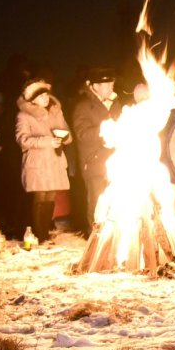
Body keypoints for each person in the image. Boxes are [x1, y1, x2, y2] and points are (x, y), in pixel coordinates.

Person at [15, 79, 72, 243]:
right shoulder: (24, 115)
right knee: (40, 197)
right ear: (32, 99)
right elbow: (22, 139)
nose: (46, 98)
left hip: (54, 160)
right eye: (41, 96)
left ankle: (45, 232)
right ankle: (38, 235)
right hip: (38, 163)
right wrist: (47, 141)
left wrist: (65, 137)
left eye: (46, 94)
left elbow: (67, 132)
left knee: (51, 197)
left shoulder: (56, 111)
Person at [71, 67, 121, 234]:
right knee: (97, 205)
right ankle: (95, 242)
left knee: (116, 203)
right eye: (107, 84)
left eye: (112, 83)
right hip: (94, 162)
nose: (111, 87)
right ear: (95, 86)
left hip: (116, 160)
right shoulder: (83, 106)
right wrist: (103, 129)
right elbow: (82, 133)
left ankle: (114, 241)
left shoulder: (116, 104)